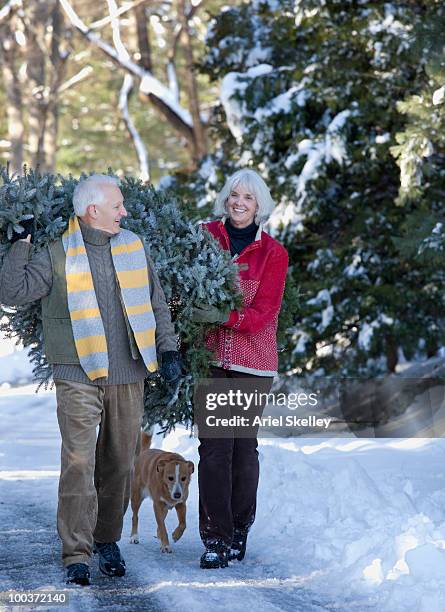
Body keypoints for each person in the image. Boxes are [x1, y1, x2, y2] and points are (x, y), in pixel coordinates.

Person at [0, 175, 181, 586]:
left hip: (128, 372)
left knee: (119, 461)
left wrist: (167, 348)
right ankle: (75, 552)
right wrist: (22, 244)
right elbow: (11, 291)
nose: (125, 212)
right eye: (118, 206)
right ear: (92, 209)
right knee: (79, 462)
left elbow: (155, 303)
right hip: (77, 371)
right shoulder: (57, 253)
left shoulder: (133, 247)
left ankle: (107, 540)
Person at [192, 168, 288, 568]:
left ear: (259, 204)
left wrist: (223, 315)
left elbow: (263, 313)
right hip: (211, 360)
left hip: (253, 363)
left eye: (247, 197)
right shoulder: (204, 237)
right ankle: (215, 538)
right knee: (214, 448)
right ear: (225, 198)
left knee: (243, 450)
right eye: (234, 194)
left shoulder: (273, 253)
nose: (239, 202)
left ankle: (239, 529)